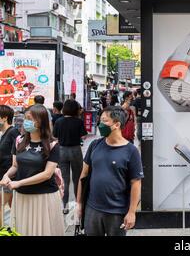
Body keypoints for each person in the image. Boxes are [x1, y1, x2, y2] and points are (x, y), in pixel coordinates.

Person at [76, 106, 143, 236]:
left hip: (117, 211)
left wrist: (131, 212)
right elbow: (83, 175)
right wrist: (79, 203)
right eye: (100, 120)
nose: (100, 125)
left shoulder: (131, 151)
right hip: (92, 208)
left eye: (105, 121)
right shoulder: (95, 145)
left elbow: (136, 183)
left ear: (117, 124)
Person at [0, 104, 64, 236]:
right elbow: (15, 166)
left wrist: (19, 183)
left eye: (30, 118)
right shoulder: (19, 141)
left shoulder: (53, 145)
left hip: (43, 197)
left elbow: (47, 174)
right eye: (26, 118)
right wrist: (6, 176)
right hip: (22, 196)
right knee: (23, 230)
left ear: (41, 121)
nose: (26, 122)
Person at [53, 99, 87, 214]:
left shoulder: (58, 121)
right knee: (77, 178)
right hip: (75, 150)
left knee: (64, 179)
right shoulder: (78, 121)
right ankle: (78, 204)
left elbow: (55, 136)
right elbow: (83, 136)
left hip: (61, 151)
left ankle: (65, 206)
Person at [0, 105, 20, 219]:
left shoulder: (13, 132)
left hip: (9, 178)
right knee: (13, 207)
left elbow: (17, 154)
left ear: (4, 118)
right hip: (4, 177)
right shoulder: (4, 134)